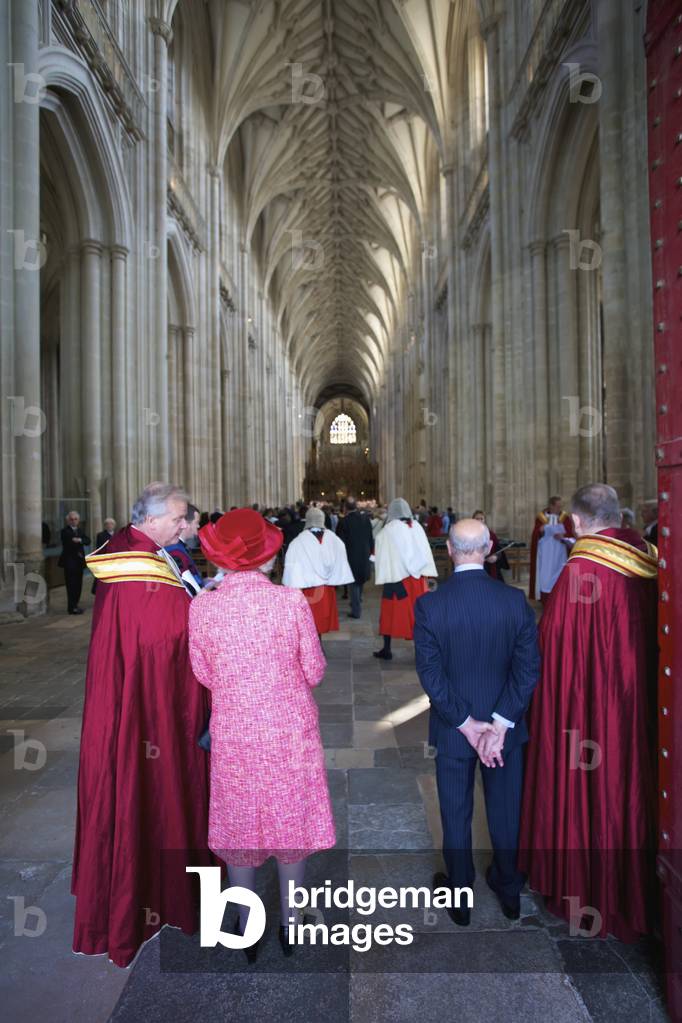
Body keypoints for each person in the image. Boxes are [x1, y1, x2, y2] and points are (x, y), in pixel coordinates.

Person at [72, 483, 212, 967]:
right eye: (178, 518)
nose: (185, 525)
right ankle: (150, 896)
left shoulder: (143, 550)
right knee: (146, 786)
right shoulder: (136, 565)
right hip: (148, 708)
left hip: (137, 697)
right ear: (150, 520)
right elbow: (163, 637)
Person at [188, 509, 336, 961]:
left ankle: (247, 925)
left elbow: (203, 672)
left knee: (239, 823)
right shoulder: (290, 602)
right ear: (267, 556)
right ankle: (291, 923)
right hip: (289, 730)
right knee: (291, 820)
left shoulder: (203, 606)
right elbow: (314, 670)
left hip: (234, 729)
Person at [519, 484, 658, 943]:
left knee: (594, 790)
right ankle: (638, 888)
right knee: (635, 786)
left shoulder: (580, 574)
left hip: (591, 717)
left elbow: (553, 659)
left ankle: (591, 885)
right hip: (641, 710)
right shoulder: (651, 560)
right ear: (618, 517)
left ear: (575, 522)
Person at [414, 518, 540, 926]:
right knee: (506, 811)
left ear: (449, 550)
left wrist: (466, 723)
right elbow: (527, 670)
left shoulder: (431, 605)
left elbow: (431, 675)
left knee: (455, 813)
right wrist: (500, 724)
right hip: (505, 734)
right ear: (488, 550)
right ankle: (508, 890)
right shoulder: (513, 601)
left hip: (454, 733)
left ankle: (460, 895)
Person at [373, 498, 437, 660]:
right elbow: (425, 551)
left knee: (389, 613)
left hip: (397, 579)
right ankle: (419, 651)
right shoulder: (417, 526)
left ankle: (387, 649)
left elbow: (381, 552)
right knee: (419, 615)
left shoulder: (389, 529)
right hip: (418, 580)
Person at [283, 506, 354, 635]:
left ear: (308, 520)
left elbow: (291, 568)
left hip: (309, 589)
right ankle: (318, 644)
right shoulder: (334, 539)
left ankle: (315, 646)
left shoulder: (298, 542)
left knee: (311, 624)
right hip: (327, 588)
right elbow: (341, 560)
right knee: (321, 621)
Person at [528, 495, 574, 603]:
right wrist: (541, 530)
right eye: (558, 506)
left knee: (560, 573)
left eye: (561, 506)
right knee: (545, 575)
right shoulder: (541, 517)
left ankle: (559, 598)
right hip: (545, 553)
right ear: (551, 506)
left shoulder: (565, 518)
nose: (559, 509)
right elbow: (535, 535)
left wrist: (563, 536)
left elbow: (571, 533)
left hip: (560, 553)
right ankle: (545, 598)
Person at [336, 497, 374, 619]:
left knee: (353, 583)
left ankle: (356, 610)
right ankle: (357, 600)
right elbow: (370, 538)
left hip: (351, 555)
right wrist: (371, 552)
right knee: (360, 580)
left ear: (345, 508)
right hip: (364, 554)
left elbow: (340, 542)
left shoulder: (343, 522)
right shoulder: (365, 519)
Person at [166, 503, 204, 593]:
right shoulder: (174, 549)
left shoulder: (178, 546)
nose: (198, 526)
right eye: (196, 522)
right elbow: (186, 582)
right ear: (185, 523)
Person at [59, 510, 90, 614]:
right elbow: (69, 542)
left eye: (75, 519)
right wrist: (79, 540)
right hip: (69, 562)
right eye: (71, 519)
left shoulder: (80, 530)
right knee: (71, 585)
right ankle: (71, 607)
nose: (73, 521)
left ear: (78, 520)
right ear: (68, 521)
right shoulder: (65, 531)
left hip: (79, 562)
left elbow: (87, 540)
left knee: (78, 585)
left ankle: (75, 605)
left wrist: (79, 540)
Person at [473, 510, 509, 581]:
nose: (479, 521)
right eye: (477, 519)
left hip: (490, 567)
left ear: (484, 520)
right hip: (475, 567)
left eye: (481, 518)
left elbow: (499, 550)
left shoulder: (491, 534)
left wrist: (495, 557)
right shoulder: (468, 534)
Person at [91, 518, 117, 595]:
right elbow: (99, 549)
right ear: (105, 526)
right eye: (107, 524)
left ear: (114, 525)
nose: (109, 526)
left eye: (111, 524)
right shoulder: (101, 535)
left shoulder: (117, 535)